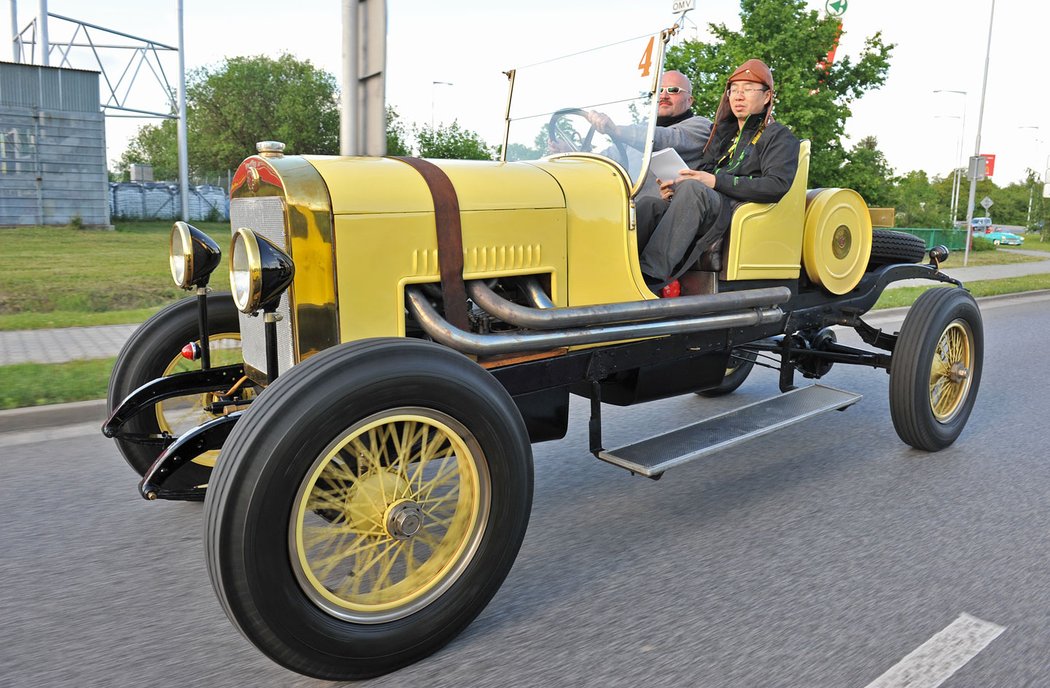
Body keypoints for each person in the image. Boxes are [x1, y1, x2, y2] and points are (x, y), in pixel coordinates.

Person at [635, 59, 800, 290]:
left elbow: (776, 185)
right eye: (734, 90)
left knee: (694, 189)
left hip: (732, 211)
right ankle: (621, 269)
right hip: (703, 207)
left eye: (749, 89)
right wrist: (675, 189)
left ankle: (649, 276)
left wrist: (712, 181)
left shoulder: (779, 136)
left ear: (766, 97)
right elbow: (703, 173)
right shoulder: (722, 134)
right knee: (648, 204)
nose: (739, 96)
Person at [586, 70, 712, 175]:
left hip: (668, 204)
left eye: (673, 90)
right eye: (659, 91)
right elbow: (602, 161)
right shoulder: (634, 135)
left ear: (689, 100)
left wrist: (617, 130)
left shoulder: (701, 126)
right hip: (624, 203)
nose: (664, 96)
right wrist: (570, 152)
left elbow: (668, 139)